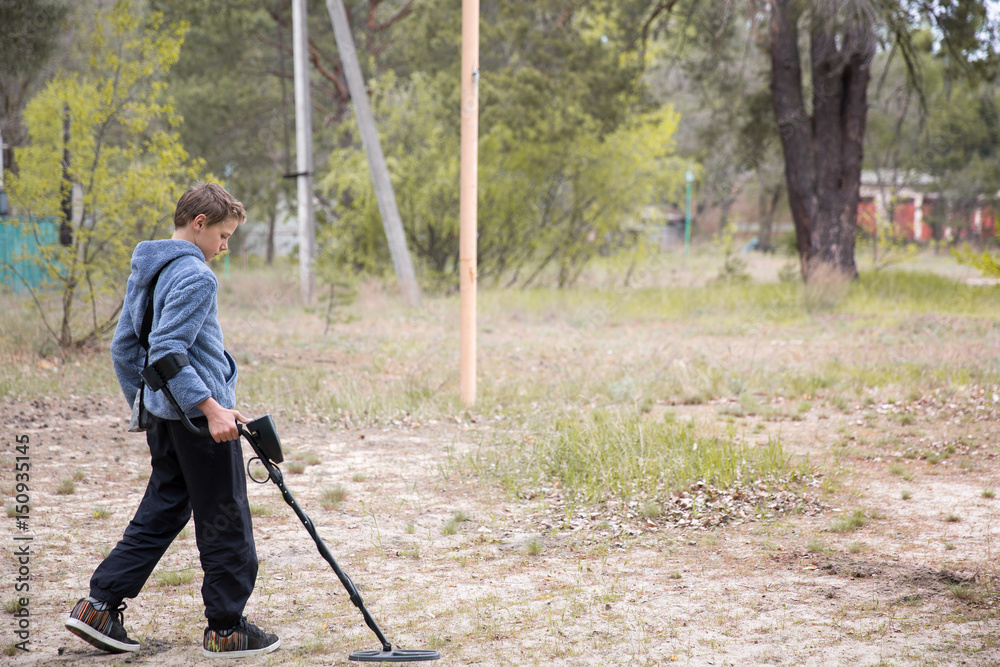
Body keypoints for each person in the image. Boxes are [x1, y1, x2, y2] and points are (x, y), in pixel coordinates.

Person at [65, 183, 280, 659]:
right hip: (198, 423)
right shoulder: (196, 276)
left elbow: (125, 348)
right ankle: (228, 630)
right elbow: (166, 350)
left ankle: (99, 607)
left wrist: (153, 406)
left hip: (170, 417)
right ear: (199, 224)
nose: (225, 247)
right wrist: (208, 408)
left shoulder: (149, 269)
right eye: (223, 236)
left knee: (163, 509)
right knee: (225, 517)